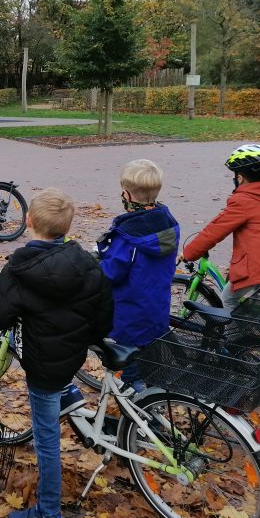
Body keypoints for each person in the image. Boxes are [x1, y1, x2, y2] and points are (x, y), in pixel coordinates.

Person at [0, 188, 113, 518]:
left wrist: (0, 287)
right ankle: (69, 393)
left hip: (42, 366)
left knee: (46, 441)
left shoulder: (20, 267)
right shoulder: (86, 261)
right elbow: (102, 319)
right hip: (72, 354)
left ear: (28, 221)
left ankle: (49, 515)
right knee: (60, 385)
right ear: (68, 226)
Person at [182, 144, 260, 310]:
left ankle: (230, 335)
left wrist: (188, 253)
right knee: (259, 294)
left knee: (227, 299)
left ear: (240, 178)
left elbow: (214, 230)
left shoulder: (244, 200)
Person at [96, 159, 179, 394]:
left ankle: (140, 409)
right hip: (157, 306)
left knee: (131, 366)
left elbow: (112, 272)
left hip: (130, 311)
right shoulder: (168, 225)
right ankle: (153, 394)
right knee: (150, 356)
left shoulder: (128, 236)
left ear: (126, 194)